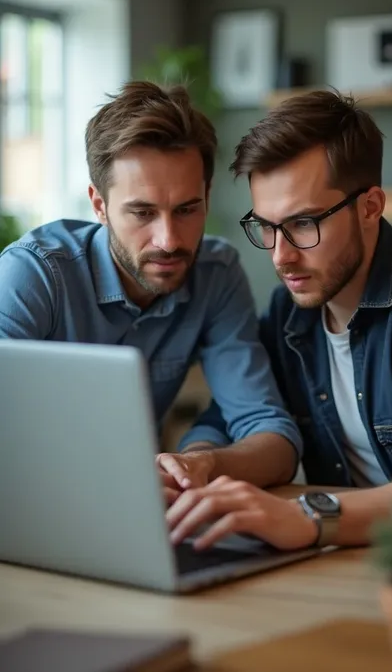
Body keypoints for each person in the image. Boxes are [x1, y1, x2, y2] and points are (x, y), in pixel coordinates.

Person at [167, 88, 392, 552]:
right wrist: (194, 463)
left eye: (304, 223)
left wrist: (309, 516)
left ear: (370, 207)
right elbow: (229, 418)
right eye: (266, 227)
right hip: (348, 560)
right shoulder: (288, 315)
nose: (280, 255)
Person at [0, 81, 303, 500]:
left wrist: (203, 464)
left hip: (130, 508)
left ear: (207, 197)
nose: (168, 240)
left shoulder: (215, 274)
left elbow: (273, 438)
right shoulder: (34, 275)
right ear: (98, 205)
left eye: (186, 210)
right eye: (142, 212)